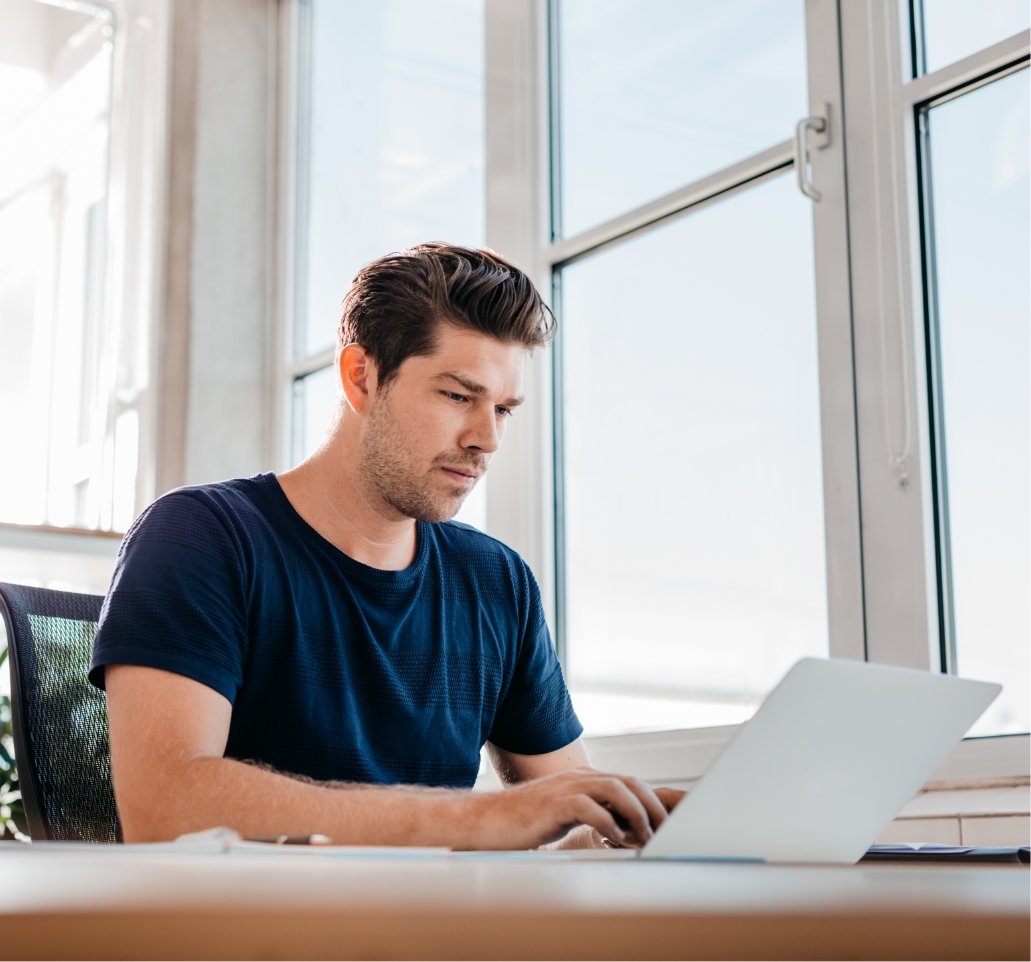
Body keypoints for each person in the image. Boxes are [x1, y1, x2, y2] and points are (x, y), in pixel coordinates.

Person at [91, 243, 682, 847]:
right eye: (458, 395)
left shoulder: (496, 582)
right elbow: (164, 807)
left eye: (504, 408)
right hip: (255, 937)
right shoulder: (201, 537)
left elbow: (571, 812)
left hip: (435, 937)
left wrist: (641, 827)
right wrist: (481, 819)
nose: (487, 438)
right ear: (361, 378)